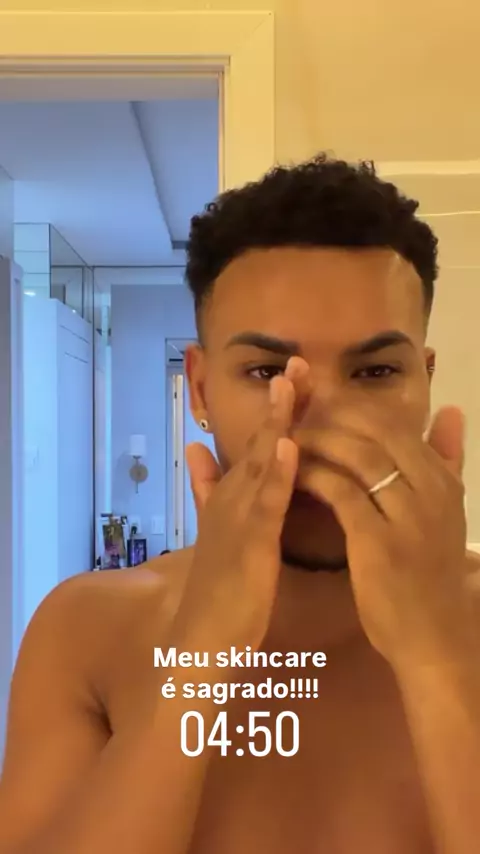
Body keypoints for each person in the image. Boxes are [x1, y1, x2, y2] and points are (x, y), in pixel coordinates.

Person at [1, 154, 479, 854]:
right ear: (199, 390)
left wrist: (437, 662)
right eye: (265, 372)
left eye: (376, 371)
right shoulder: (87, 630)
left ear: (425, 381)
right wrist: (201, 653)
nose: (320, 425)